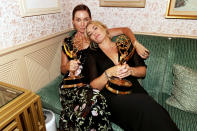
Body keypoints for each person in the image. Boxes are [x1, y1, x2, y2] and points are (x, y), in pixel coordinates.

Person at [59, 4, 149, 131]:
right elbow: (62, 69)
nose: (82, 24)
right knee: (90, 105)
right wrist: (67, 66)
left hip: (90, 85)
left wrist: (135, 43)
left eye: (86, 19)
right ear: (73, 22)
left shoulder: (95, 36)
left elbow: (125, 30)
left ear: (90, 20)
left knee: (95, 103)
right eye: (78, 20)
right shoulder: (67, 42)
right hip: (71, 85)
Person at [85, 20, 180, 131]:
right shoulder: (91, 54)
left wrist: (130, 71)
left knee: (157, 110)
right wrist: (108, 73)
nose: (94, 33)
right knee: (146, 105)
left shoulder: (125, 45)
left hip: (134, 90)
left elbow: (142, 71)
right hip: (112, 97)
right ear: (91, 39)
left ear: (104, 28)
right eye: (90, 33)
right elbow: (94, 86)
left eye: (95, 28)